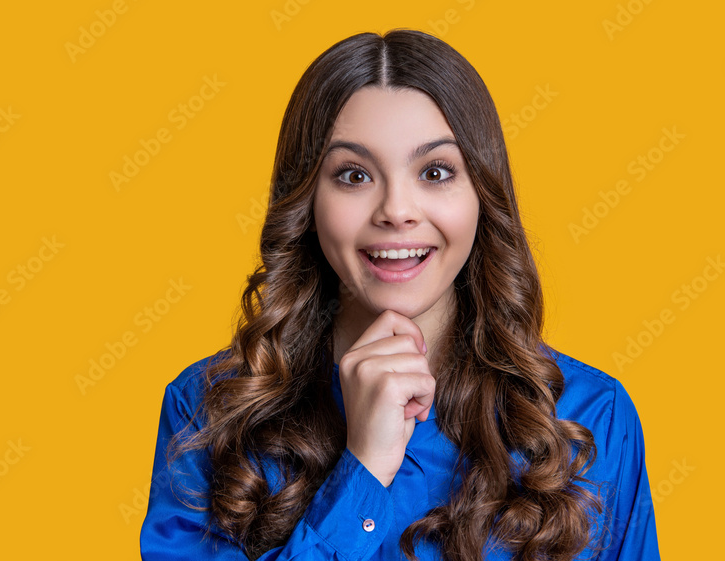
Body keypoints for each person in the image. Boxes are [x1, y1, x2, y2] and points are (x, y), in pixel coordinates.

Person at [139, 29, 659, 560]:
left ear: (481, 194)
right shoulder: (210, 413)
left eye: (435, 172)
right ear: (307, 202)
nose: (397, 210)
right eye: (354, 174)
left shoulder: (592, 419)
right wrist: (361, 472)